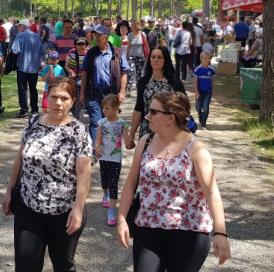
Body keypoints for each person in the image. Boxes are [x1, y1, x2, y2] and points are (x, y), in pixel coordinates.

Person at [116, 91, 231, 269]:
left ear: (171, 117)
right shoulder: (146, 142)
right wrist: (122, 219)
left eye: (154, 112)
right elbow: (131, 184)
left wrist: (220, 233)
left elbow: (212, 193)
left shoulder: (196, 149)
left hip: (189, 230)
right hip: (148, 227)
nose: (148, 116)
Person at [1, 76, 91, 272]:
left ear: (72, 101)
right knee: (25, 265)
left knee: (63, 265)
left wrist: (78, 208)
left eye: (64, 98)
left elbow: (84, 174)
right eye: (54, 97)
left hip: (64, 211)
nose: (58, 103)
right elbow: (19, 159)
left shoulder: (79, 131)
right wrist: (9, 191)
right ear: (47, 97)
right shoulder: (33, 122)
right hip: (28, 206)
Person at [126, 47, 185, 147]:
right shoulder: (143, 82)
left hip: (169, 130)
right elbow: (139, 109)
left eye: (159, 57)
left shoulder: (175, 83)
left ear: (165, 60)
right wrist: (131, 134)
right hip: (147, 131)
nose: (156, 60)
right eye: (153, 57)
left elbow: (183, 108)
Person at [79, 25, 129, 145]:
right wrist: (82, 93)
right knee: (95, 123)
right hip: (94, 94)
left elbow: (124, 73)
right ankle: (96, 149)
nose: (96, 38)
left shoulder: (117, 53)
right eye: (95, 35)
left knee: (109, 122)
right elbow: (85, 73)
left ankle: (109, 149)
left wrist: (122, 91)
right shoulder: (91, 53)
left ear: (106, 37)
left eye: (99, 36)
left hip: (111, 95)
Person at [95, 94, 128, 226]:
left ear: (116, 108)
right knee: (105, 182)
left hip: (115, 158)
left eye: (107, 108)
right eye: (103, 107)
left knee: (113, 183)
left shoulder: (122, 123)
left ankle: (112, 210)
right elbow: (98, 138)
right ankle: (105, 194)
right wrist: (97, 148)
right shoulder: (101, 123)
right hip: (104, 157)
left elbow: (128, 141)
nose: (104, 110)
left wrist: (131, 142)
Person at [10, 19, 43, 118]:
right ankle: (34, 109)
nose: (18, 28)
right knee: (33, 88)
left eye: (19, 26)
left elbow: (15, 50)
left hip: (22, 66)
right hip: (34, 67)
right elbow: (42, 51)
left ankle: (24, 110)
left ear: (23, 27)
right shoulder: (37, 36)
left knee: (22, 89)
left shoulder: (20, 36)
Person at [65, 37, 88, 121]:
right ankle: (73, 118)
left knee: (80, 101)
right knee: (71, 100)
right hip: (72, 79)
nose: (80, 51)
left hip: (83, 79)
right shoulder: (71, 52)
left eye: (82, 49)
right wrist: (71, 72)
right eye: (78, 48)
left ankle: (79, 121)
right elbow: (66, 66)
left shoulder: (88, 54)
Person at [125, 20, 149, 98]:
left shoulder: (142, 34)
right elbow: (128, 46)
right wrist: (126, 57)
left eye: (132, 24)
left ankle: (139, 89)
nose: (131, 26)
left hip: (140, 56)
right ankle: (129, 90)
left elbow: (146, 45)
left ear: (136, 26)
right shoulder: (130, 35)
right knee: (131, 72)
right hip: (131, 56)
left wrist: (149, 55)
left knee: (139, 73)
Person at [193, 51, 215, 131]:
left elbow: (211, 80)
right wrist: (196, 91)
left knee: (205, 107)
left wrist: (211, 89)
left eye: (208, 58)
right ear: (201, 59)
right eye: (205, 58)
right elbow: (195, 81)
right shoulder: (198, 69)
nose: (207, 60)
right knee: (198, 108)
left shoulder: (211, 70)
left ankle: (203, 123)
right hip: (199, 92)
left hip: (207, 92)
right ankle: (200, 117)